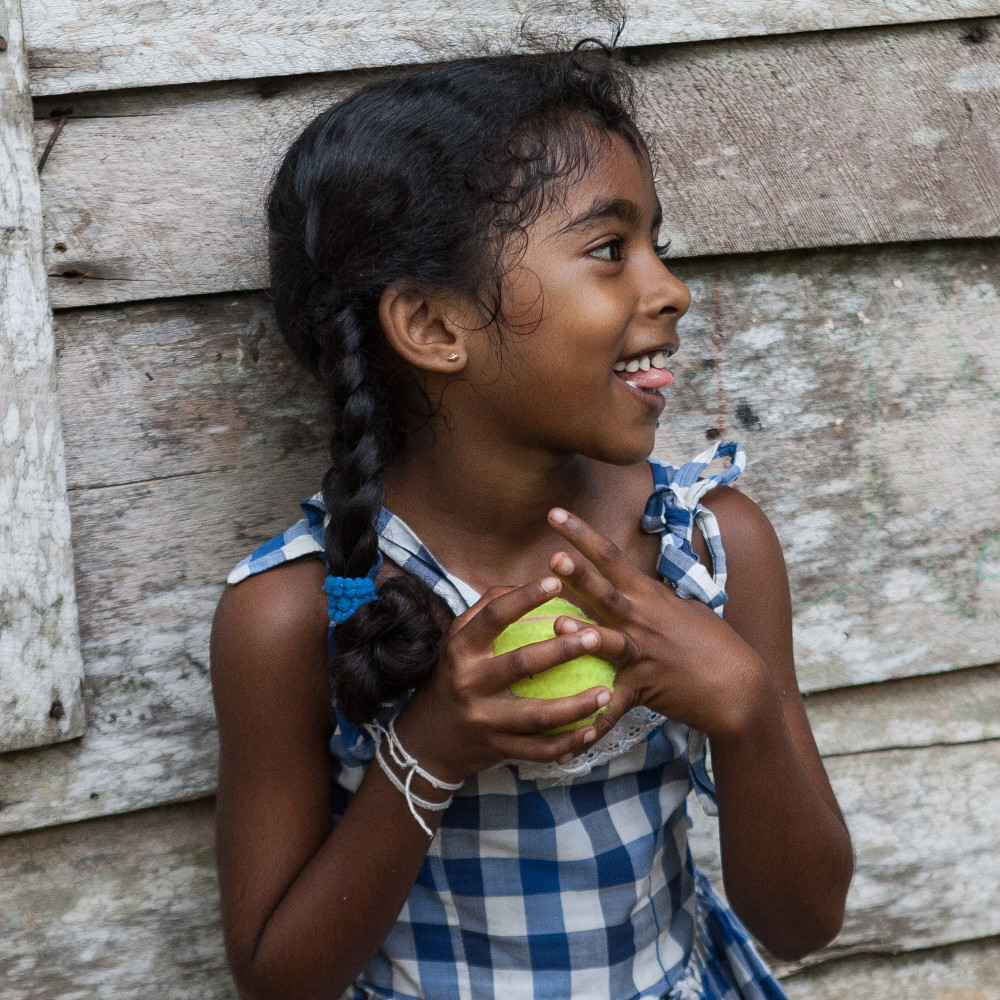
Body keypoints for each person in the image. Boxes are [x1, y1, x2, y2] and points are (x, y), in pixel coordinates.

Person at [210, 40, 854, 1000]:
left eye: (655, 245)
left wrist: (746, 706)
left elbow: (801, 922)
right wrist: (428, 749)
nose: (670, 289)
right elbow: (278, 981)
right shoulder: (296, 615)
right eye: (608, 250)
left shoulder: (710, 550)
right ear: (432, 327)